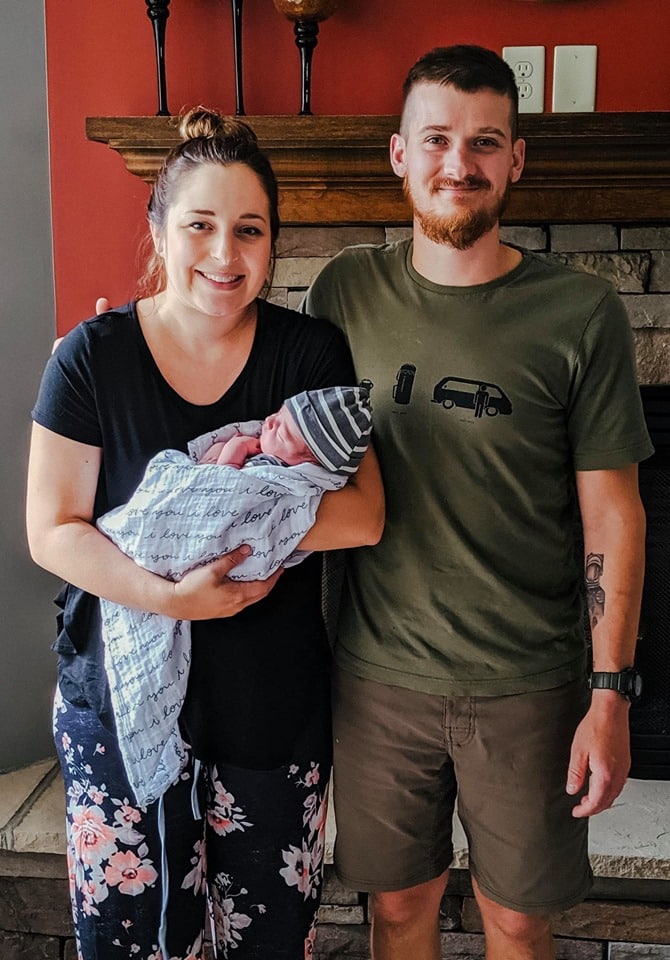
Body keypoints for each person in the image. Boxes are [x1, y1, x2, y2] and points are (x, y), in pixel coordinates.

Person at [302, 45, 652, 960]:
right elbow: (282, 440)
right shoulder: (343, 290)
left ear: (516, 160)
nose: (460, 164)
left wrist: (609, 697)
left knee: (519, 923)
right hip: (376, 682)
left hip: (530, 689)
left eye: (485, 143)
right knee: (397, 911)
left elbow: (614, 512)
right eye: (439, 140)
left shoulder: (580, 312)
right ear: (399, 155)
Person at [26, 108, 384, 960]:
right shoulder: (90, 357)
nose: (225, 255)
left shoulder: (308, 354)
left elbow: (365, 513)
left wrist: (242, 512)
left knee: (266, 943)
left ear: (273, 242)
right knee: (127, 944)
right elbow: (51, 529)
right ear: (158, 229)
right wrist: (169, 594)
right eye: (200, 225)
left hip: (270, 711)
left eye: (249, 230)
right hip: (116, 705)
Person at [95, 385, 373, 808]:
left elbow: (221, 487)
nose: (272, 423)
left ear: (308, 462)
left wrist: (232, 452)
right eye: (281, 413)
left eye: (287, 432)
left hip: (254, 699)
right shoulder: (273, 454)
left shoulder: (284, 480)